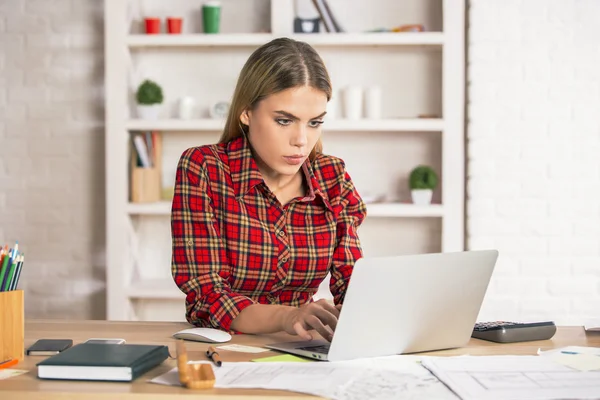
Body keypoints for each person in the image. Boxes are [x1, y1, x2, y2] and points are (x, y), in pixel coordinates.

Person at [171, 37, 366, 342]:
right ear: (246, 112)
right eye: (284, 121)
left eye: (314, 123)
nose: (301, 140)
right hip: (225, 348)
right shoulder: (204, 168)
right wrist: (287, 316)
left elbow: (352, 283)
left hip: (301, 346)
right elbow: (206, 295)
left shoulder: (331, 175)